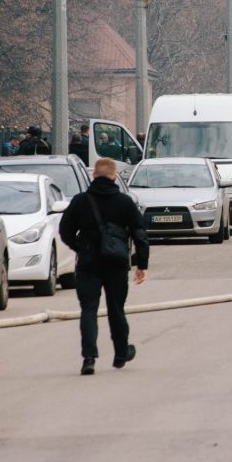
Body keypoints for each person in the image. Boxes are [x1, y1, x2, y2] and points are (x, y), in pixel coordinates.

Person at [58, 157, 149, 375]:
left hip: (88, 263)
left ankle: (89, 358)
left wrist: (79, 247)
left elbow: (64, 231)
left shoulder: (80, 201)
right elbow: (140, 234)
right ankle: (120, 353)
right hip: (116, 263)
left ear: (93, 176)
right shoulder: (124, 202)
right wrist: (142, 265)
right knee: (116, 309)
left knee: (88, 310)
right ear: (115, 177)